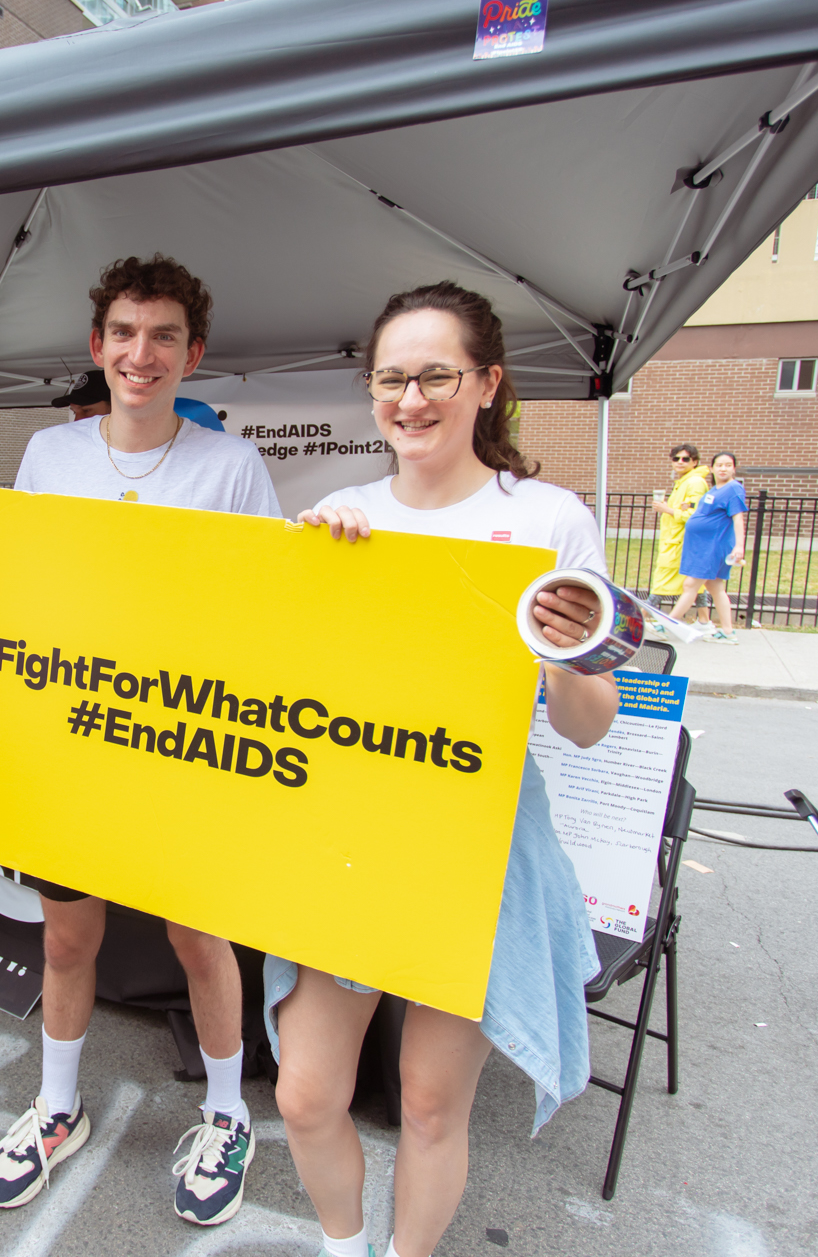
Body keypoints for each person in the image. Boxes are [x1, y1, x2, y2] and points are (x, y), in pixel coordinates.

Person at [271, 282, 617, 1257]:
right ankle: (345, 1245)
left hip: (478, 842)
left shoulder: (548, 521)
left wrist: (555, 650)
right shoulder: (338, 513)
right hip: (352, 833)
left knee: (428, 1102)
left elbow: (590, 723)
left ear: (485, 384)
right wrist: (315, 581)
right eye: (391, 377)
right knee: (302, 1092)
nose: (410, 399)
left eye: (435, 375)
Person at [0, 254, 279, 1226]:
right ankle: (54, 1108)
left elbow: (270, 610)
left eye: (163, 335)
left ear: (191, 353)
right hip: (73, 745)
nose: (142, 352)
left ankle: (224, 1115)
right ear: (98, 347)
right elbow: (18, 591)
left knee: (198, 938)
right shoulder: (49, 456)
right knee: (67, 934)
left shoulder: (232, 466)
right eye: (124, 333)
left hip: (184, 749)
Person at [677, 451, 748, 642]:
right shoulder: (715, 489)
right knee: (715, 587)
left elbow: (738, 518)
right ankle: (727, 632)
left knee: (690, 584)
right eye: (719, 465)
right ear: (712, 468)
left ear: (734, 468)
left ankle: (669, 624)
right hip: (705, 545)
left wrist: (739, 546)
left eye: (728, 465)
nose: (723, 468)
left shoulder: (734, 489)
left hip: (714, 546)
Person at [649, 444, 710, 628]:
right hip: (676, 539)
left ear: (695, 462)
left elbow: (693, 514)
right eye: (676, 458)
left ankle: (642, 615)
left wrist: (667, 509)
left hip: (682, 541)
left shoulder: (695, 483)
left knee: (662, 579)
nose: (680, 462)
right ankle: (704, 621)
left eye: (685, 459)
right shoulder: (684, 482)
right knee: (695, 582)